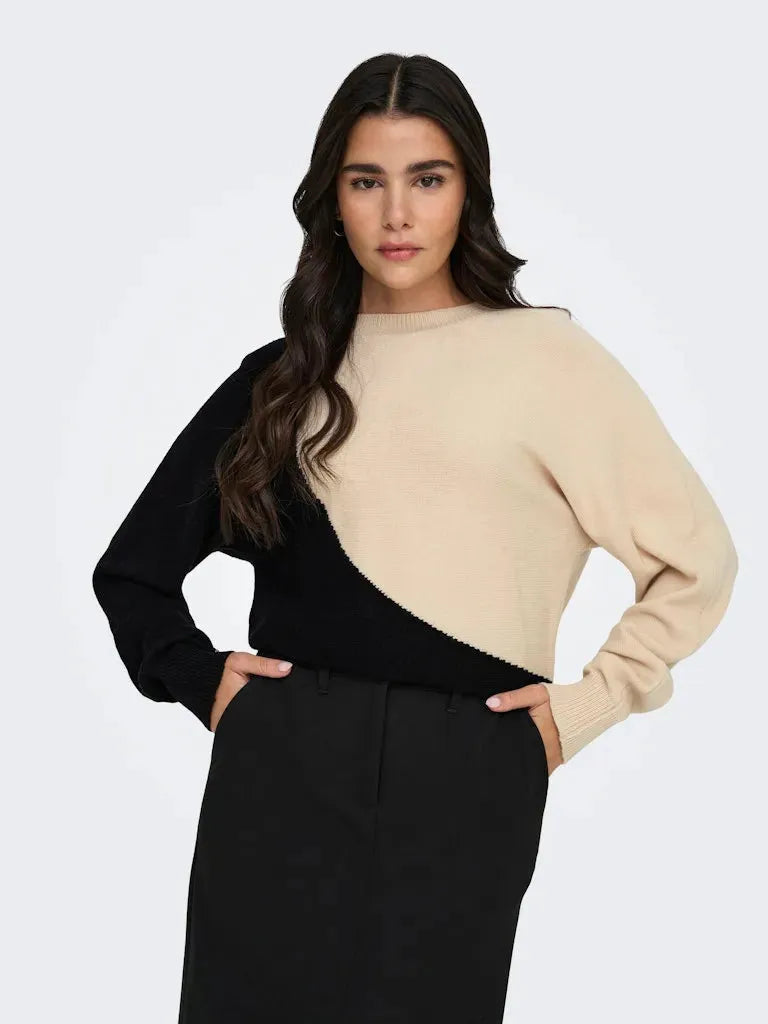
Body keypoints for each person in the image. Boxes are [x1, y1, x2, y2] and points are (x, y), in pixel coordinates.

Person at [91, 52, 739, 1024]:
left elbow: (697, 561)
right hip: (283, 757)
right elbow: (133, 572)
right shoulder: (284, 377)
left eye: (427, 179)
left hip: (471, 762)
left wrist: (586, 707)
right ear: (334, 199)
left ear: (468, 192)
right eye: (367, 181)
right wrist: (202, 679)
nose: (397, 213)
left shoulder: (549, 361)